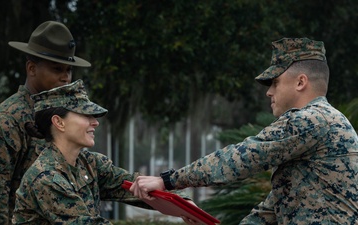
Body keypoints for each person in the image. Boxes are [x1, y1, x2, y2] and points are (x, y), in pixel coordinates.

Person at [130, 37, 358, 224]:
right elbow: (274, 208)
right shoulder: (327, 124)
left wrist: (168, 181)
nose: (269, 92)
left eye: (275, 82)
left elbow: (241, 158)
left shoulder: (311, 119)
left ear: (300, 82)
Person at [12, 80, 195, 224]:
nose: (95, 122)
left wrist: (184, 205)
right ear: (59, 122)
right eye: (86, 115)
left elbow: (135, 187)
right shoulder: (46, 178)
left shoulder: (90, 163)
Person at [0, 21, 91, 224]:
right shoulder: (8, 120)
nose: (65, 77)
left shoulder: (61, 116)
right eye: (57, 69)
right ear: (31, 68)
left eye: (69, 70)